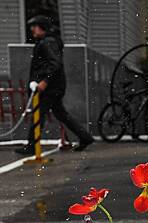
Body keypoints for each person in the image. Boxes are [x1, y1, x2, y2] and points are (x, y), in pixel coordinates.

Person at [15, 15, 93, 155]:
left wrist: (45, 81)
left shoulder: (47, 43)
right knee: (61, 114)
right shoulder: (48, 41)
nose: (32, 29)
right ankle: (85, 137)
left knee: (38, 114)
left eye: (35, 26)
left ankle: (32, 146)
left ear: (42, 27)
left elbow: (54, 64)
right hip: (54, 86)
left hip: (49, 88)